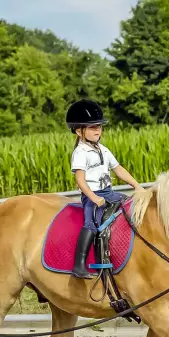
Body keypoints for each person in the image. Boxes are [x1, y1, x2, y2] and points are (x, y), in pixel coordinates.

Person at [66, 99, 144, 278]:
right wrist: (93, 198)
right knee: (91, 224)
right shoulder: (80, 153)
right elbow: (80, 180)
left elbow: (118, 169)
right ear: (79, 130)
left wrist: (137, 186)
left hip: (108, 192)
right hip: (92, 196)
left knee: (128, 206)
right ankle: (79, 265)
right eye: (92, 127)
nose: (97, 130)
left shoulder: (103, 149)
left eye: (99, 127)